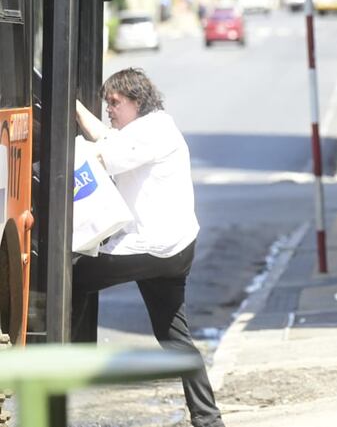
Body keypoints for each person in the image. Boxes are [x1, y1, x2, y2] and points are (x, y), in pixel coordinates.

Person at [72, 68, 225, 427]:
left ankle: (65, 363)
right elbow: (108, 137)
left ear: (136, 101)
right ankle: (208, 418)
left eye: (115, 102)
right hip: (174, 248)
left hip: (153, 246)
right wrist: (75, 107)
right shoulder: (149, 127)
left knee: (70, 277)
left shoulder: (152, 131)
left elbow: (103, 156)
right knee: (173, 335)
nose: (110, 109)